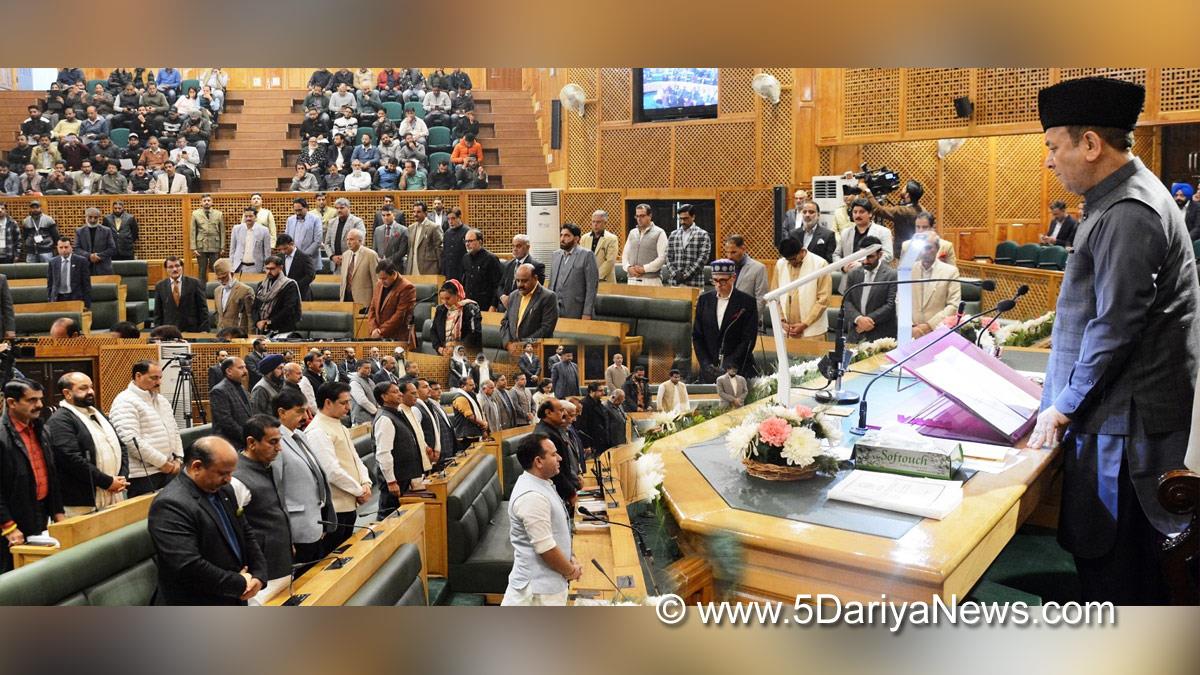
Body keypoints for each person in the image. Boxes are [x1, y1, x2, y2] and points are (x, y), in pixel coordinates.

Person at [1025, 77, 1199, 605]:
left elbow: (1114, 327)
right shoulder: (1118, 197)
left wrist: (1062, 406)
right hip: (1117, 416)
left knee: (1119, 571)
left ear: (1091, 144)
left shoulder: (1130, 210)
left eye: (1054, 146)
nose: (1050, 160)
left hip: (1127, 429)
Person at [147, 436, 268, 605]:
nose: (229, 479)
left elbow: (246, 533)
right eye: (223, 473)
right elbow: (188, 566)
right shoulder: (170, 505)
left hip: (234, 595)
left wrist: (259, 574)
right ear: (197, 467)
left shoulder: (224, 490)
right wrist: (240, 583)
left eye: (231, 472)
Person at [501, 433, 579, 606]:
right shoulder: (532, 496)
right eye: (553, 454)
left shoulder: (541, 482)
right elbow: (546, 548)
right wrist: (571, 570)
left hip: (546, 584)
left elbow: (555, 530)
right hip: (538, 592)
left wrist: (569, 556)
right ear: (538, 461)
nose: (559, 458)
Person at [228, 415, 292, 605]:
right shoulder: (237, 479)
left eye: (279, 441)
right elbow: (232, 528)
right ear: (251, 442)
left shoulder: (266, 467)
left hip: (280, 560)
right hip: (260, 570)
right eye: (273, 442)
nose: (279, 448)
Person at [272, 388, 335, 573]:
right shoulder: (276, 441)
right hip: (297, 527)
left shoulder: (299, 435)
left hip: (315, 520)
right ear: (281, 413)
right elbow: (277, 489)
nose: (305, 416)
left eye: (306, 411)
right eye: (299, 411)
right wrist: (286, 537)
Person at [47, 373, 128, 515]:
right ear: (67, 393)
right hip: (82, 500)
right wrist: (107, 482)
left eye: (91, 387)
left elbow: (121, 446)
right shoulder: (59, 421)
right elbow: (71, 460)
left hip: (115, 490)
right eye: (83, 388)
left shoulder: (97, 413)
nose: (91, 391)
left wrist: (122, 477)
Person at [305, 382, 371, 554]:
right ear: (328, 402)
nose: (348, 407)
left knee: (348, 553)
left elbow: (355, 458)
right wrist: (359, 491)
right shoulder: (318, 430)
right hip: (336, 508)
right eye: (344, 403)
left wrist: (366, 482)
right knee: (335, 558)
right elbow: (331, 471)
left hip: (350, 502)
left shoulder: (339, 425)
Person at [108, 361, 182, 497]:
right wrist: (162, 463)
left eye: (160, 378)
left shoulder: (162, 400)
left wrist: (178, 458)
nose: (159, 382)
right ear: (138, 376)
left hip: (169, 469)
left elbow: (174, 430)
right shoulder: (125, 401)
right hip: (143, 475)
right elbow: (130, 441)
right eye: (154, 378)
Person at [693, 259, 759, 381]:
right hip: (709, 372)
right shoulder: (704, 300)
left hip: (737, 371)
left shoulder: (747, 302)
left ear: (733, 277)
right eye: (715, 280)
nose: (718, 285)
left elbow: (748, 340)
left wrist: (728, 365)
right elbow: (697, 336)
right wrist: (706, 364)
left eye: (723, 281)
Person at [374, 382, 429, 519]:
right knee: (388, 517)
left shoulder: (396, 413)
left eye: (399, 391)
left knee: (401, 515)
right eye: (395, 392)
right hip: (395, 479)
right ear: (384, 397)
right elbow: (383, 453)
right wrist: (391, 481)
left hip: (403, 476)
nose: (400, 394)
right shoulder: (385, 419)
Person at [772, 236, 831, 339]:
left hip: (813, 332)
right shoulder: (780, 264)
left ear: (802, 251)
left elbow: (823, 299)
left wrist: (805, 324)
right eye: (788, 260)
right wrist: (782, 321)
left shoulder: (820, 264)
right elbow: (774, 295)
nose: (791, 262)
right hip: (787, 331)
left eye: (793, 259)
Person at [841, 236, 897, 343]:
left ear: (880, 255)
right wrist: (858, 319)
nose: (865, 261)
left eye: (870, 257)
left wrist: (866, 321)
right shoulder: (853, 273)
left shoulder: (892, 275)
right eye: (862, 257)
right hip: (856, 332)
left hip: (880, 334)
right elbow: (847, 300)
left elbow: (890, 305)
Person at [909, 232, 961, 337]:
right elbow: (900, 300)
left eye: (928, 248)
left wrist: (929, 326)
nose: (924, 251)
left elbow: (953, 305)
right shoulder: (908, 270)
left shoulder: (950, 272)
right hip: (911, 332)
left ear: (937, 248)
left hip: (938, 332)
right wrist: (910, 326)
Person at [860, 177, 924, 260]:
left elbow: (878, 210)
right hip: (918, 252)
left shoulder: (904, 211)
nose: (902, 189)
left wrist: (867, 191)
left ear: (907, 194)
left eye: (904, 188)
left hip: (905, 254)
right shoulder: (921, 208)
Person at [500, 264, 559, 350]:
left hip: (536, 350)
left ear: (535, 278)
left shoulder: (548, 297)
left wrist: (523, 345)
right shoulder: (513, 295)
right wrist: (508, 344)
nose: (520, 285)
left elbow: (546, 329)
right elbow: (505, 322)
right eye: (518, 280)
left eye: (524, 281)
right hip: (513, 350)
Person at [833, 197, 894, 279]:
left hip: (873, 278)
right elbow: (836, 255)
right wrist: (843, 267)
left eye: (861, 212)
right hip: (849, 280)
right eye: (855, 212)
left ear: (870, 214)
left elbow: (888, 255)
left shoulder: (883, 232)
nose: (857, 215)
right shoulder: (845, 232)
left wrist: (864, 264)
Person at [549, 223, 600, 320]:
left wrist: (587, 312)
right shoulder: (556, 255)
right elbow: (551, 284)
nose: (562, 239)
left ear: (576, 239)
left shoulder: (587, 255)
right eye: (561, 235)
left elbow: (591, 287)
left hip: (576, 310)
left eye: (567, 235)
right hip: (555, 310)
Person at [154, 256, 209, 333]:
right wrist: (157, 332)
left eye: (177, 266)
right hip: (169, 331)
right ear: (166, 269)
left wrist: (204, 329)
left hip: (191, 330)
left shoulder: (194, 283)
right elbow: (158, 313)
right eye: (170, 267)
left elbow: (203, 308)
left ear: (182, 267)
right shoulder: (160, 286)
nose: (175, 269)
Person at [366, 260, 417, 341]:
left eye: (384, 278)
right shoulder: (379, 284)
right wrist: (373, 328)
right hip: (378, 336)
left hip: (398, 337)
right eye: (380, 278)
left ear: (393, 274)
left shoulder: (407, 287)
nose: (382, 282)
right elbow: (372, 308)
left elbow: (399, 316)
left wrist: (380, 331)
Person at [663, 204, 711, 287]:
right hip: (675, 282)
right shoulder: (673, 234)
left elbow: (703, 258)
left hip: (694, 282)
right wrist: (675, 273)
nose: (682, 222)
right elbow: (667, 256)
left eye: (685, 218)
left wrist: (686, 275)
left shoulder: (702, 234)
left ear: (693, 217)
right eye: (680, 219)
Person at [431, 279, 482, 354]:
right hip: (444, 354)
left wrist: (457, 347)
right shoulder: (440, 309)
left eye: (448, 298)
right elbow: (433, 330)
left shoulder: (470, 308)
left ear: (457, 295)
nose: (445, 302)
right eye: (442, 299)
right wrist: (440, 348)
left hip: (468, 355)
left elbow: (474, 333)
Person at [209, 357, 252, 447]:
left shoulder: (241, 387)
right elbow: (226, 421)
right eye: (241, 368)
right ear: (229, 371)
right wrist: (246, 436)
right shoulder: (219, 391)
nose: (245, 371)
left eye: (245, 367)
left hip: (243, 441)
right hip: (228, 444)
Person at [253, 256, 303, 334]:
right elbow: (255, 307)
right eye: (267, 268)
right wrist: (257, 321)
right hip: (262, 328)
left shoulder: (289, 285)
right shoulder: (261, 285)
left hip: (283, 328)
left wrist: (270, 321)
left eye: (272, 269)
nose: (269, 271)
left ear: (280, 268)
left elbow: (289, 308)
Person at [623, 203, 668, 285]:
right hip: (632, 280)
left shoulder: (659, 232)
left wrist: (644, 269)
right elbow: (625, 255)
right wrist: (628, 268)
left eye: (642, 216)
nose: (639, 219)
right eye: (637, 216)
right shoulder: (632, 233)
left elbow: (662, 258)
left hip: (651, 280)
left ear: (650, 216)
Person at [498, 234, 546, 309]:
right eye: (513, 246)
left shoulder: (537, 266)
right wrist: (503, 297)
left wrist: (512, 299)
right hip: (505, 307)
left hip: (524, 307)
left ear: (528, 247)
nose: (515, 249)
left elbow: (536, 290)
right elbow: (500, 285)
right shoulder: (507, 265)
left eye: (518, 246)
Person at [724, 234, 768, 314]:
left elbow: (761, 299)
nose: (729, 256)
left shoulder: (758, 268)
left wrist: (751, 319)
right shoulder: (725, 268)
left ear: (743, 249)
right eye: (727, 252)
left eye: (733, 252)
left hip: (749, 319)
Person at [212, 259, 255, 336]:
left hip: (238, 335)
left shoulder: (246, 290)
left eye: (224, 277)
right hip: (221, 335)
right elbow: (217, 314)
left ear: (231, 274)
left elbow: (250, 316)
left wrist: (251, 336)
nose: (221, 281)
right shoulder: (217, 291)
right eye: (219, 278)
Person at [338, 229, 379, 308]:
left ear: (360, 241)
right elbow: (343, 280)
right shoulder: (345, 255)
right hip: (346, 298)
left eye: (352, 239)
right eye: (347, 239)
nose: (348, 242)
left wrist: (375, 302)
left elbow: (376, 280)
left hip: (364, 300)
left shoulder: (370, 255)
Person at [46, 237, 92, 307]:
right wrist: (50, 300)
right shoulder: (53, 262)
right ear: (57, 248)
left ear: (71, 247)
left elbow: (86, 285)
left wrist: (87, 304)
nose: (64, 250)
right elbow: (50, 284)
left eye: (66, 247)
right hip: (58, 298)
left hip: (75, 298)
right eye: (61, 247)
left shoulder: (81, 261)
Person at [190, 194, 224, 283]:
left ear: (212, 202)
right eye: (204, 201)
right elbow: (193, 231)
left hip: (215, 245)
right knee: (201, 270)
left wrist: (222, 247)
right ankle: (201, 290)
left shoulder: (219, 214)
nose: (206, 202)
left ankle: (214, 287)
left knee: (215, 269)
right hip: (201, 245)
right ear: (201, 202)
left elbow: (222, 231)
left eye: (208, 200)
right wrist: (193, 248)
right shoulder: (195, 214)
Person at [285, 197, 324, 273]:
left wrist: (302, 256)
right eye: (295, 210)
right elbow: (287, 239)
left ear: (306, 208)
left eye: (300, 210)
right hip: (293, 260)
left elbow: (318, 241)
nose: (297, 213)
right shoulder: (290, 220)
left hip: (310, 260)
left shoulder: (315, 219)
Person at [580, 210, 619, 284]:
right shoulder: (584, 238)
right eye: (593, 221)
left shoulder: (612, 238)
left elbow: (610, 261)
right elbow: (581, 259)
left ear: (605, 223)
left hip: (605, 280)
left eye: (598, 222)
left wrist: (595, 276)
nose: (595, 224)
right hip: (586, 280)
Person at [449, 377, 488, 452]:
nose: (474, 387)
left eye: (474, 384)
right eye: (471, 385)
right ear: (462, 386)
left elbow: (480, 411)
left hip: (475, 432)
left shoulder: (471, 395)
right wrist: (483, 424)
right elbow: (470, 416)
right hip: (466, 436)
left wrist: (484, 427)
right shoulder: (460, 398)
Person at [228, 208, 271, 274]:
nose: (248, 218)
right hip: (239, 267)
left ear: (256, 217)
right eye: (246, 216)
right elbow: (232, 250)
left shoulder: (264, 230)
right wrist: (231, 266)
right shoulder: (236, 229)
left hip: (256, 268)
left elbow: (267, 252)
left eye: (250, 216)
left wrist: (266, 268)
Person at [276, 233, 316, 301]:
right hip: (284, 295)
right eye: (280, 249)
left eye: (285, 248)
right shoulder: (279, 257)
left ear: (292, 244)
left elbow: (310, 275)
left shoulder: (305, 257)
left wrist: (295, 286)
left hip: (301, 294)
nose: (283, 252)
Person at [407, 202, 442, 276]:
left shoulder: (434, 227)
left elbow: (439, 250)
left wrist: (440, 269)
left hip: (429, 269)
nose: (415, 214)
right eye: (414, 212)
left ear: (425, 213)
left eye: (418, 212)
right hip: (412, 268)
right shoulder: (411, 228)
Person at [373, 206, 409, 270]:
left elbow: (402, 251)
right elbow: (375, 249)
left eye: (388, 215)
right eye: (383, 215)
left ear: (394, 215)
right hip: (380, 267)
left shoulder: (403, 230)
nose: (385, 217)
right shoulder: (378, 230)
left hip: (396, 266)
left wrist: (387, 261)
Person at [348, 361, 380, 425]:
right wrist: (377, 412)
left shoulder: (370, 381)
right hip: (361, 419)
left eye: (370, 368)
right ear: (358, 369)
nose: (369, 370)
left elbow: (376, 397)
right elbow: (362, 401)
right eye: (366, 368)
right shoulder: (354, 382)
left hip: (373, 417)